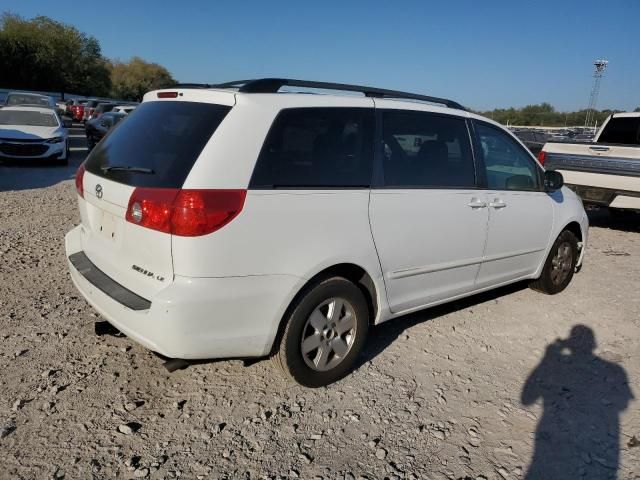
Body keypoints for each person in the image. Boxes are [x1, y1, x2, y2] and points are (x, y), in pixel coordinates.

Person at [521, 325, 633, 479]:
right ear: (594, 344)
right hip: (599, 441)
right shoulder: (616, 369)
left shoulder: (557, 364)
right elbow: (624, 404)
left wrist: (547, 358)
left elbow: (526, 399)